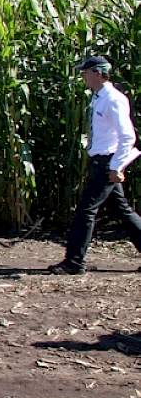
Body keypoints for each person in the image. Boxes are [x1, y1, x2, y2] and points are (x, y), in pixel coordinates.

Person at [48, 55, 141, 275]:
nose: (83, 77)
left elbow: (127, 137)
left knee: (85, 211)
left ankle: (74, 262)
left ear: (97, 73)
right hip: (102, 161)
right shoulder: (99, 97)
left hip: (107, 163)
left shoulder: (113, 99)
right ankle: (74, 261)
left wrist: (116, 167)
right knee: (123, 211)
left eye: (85, 73)